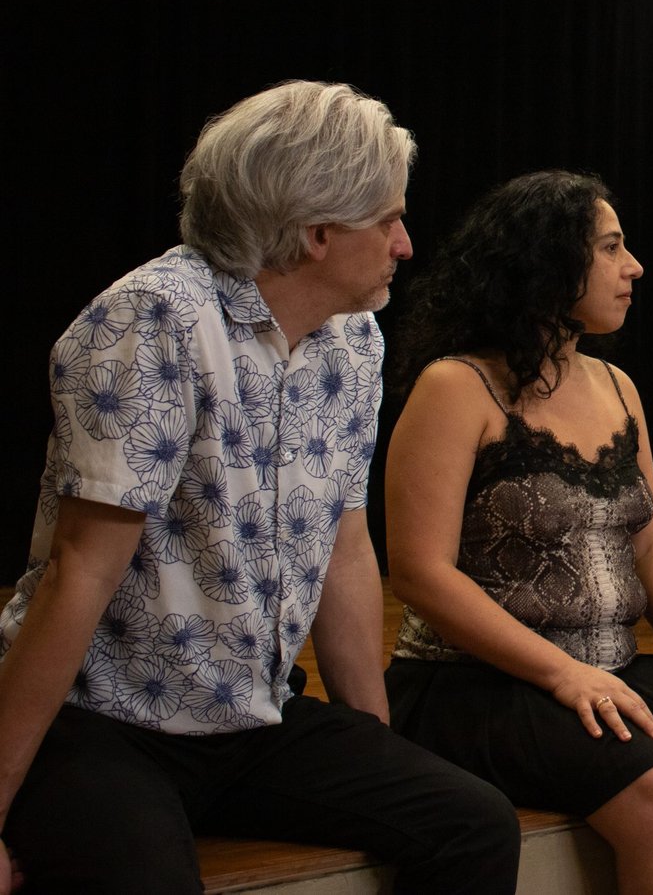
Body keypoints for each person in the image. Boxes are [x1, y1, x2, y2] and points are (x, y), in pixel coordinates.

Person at [0, 81, 521, 894]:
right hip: (104, 719)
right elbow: (81, 570)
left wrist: (377, 749)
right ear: (317, 233)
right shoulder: (155, 318)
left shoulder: (354, 339)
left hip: (253, 714)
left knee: (472, 821)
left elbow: (346, 545)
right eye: (388, 219)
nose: (406, 243)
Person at [382, 172, 653, 895]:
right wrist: (560, 672)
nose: (634, 265)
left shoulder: (617, 386)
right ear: (548, 263)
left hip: (603, 668)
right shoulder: (457, 385)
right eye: (612, 247)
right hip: (476, 683)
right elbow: (420, 571)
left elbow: (651, 540)